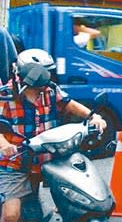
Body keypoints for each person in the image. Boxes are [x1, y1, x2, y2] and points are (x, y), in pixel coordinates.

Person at [0, 52, 107, 222]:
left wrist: (93, 117)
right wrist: (4, 144)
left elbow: (70, 105)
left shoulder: (50, 90)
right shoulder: (5, 94)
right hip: (14, 162)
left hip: (45, 159)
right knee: (11, 215)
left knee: (72, 199)